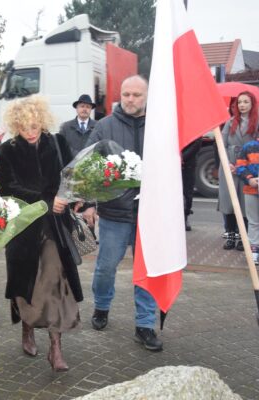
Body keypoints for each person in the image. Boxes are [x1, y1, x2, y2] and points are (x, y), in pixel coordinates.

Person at [0, 95, 83, 372]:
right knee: (27, 281)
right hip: (23, 228)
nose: (31, 132)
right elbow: (6, 188)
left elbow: (72, 177)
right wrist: (45, 201)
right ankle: (27, 326)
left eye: (34, 125)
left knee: (55, 280)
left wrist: (80, 199)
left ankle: (55, 347)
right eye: (24, 127)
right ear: (15, 126)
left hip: (56, 227)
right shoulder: (8, 149)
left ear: (42, 121)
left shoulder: (56, 142)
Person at [83, 75, 163, 352]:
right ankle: (102, 306)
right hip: (115, 213)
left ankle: (145, 324)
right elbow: (87, 166)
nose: (130, 99)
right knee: (105, 268)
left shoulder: (159, 125)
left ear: (146, 96)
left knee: (147, 271)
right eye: (126, 94)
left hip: (149, 215)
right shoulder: (104, 127)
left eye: (136, 95)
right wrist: (89, 203)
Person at [218, 92, 258, 251]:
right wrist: (227, 162)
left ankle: (244, 237)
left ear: (252, 104)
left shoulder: (257, 121)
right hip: (229, 164)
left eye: (246, 102)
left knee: (245, 202)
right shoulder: (230, 122)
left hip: (248, 165)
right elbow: (221, 142)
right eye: (239, 102)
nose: (242, 105)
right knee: (228, 202)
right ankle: (230, 235)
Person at [235, 136, 259, 265]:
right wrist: (249, 179)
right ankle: (254, 250)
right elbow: (239, 165)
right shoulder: (249, 146)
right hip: (251, 189)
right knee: (254, 221)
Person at [181, 138, 202, 231]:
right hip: (171, 161)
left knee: (187, 192)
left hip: (188, 163)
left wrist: (182, 157)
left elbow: (196, 143)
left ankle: (185, 217)